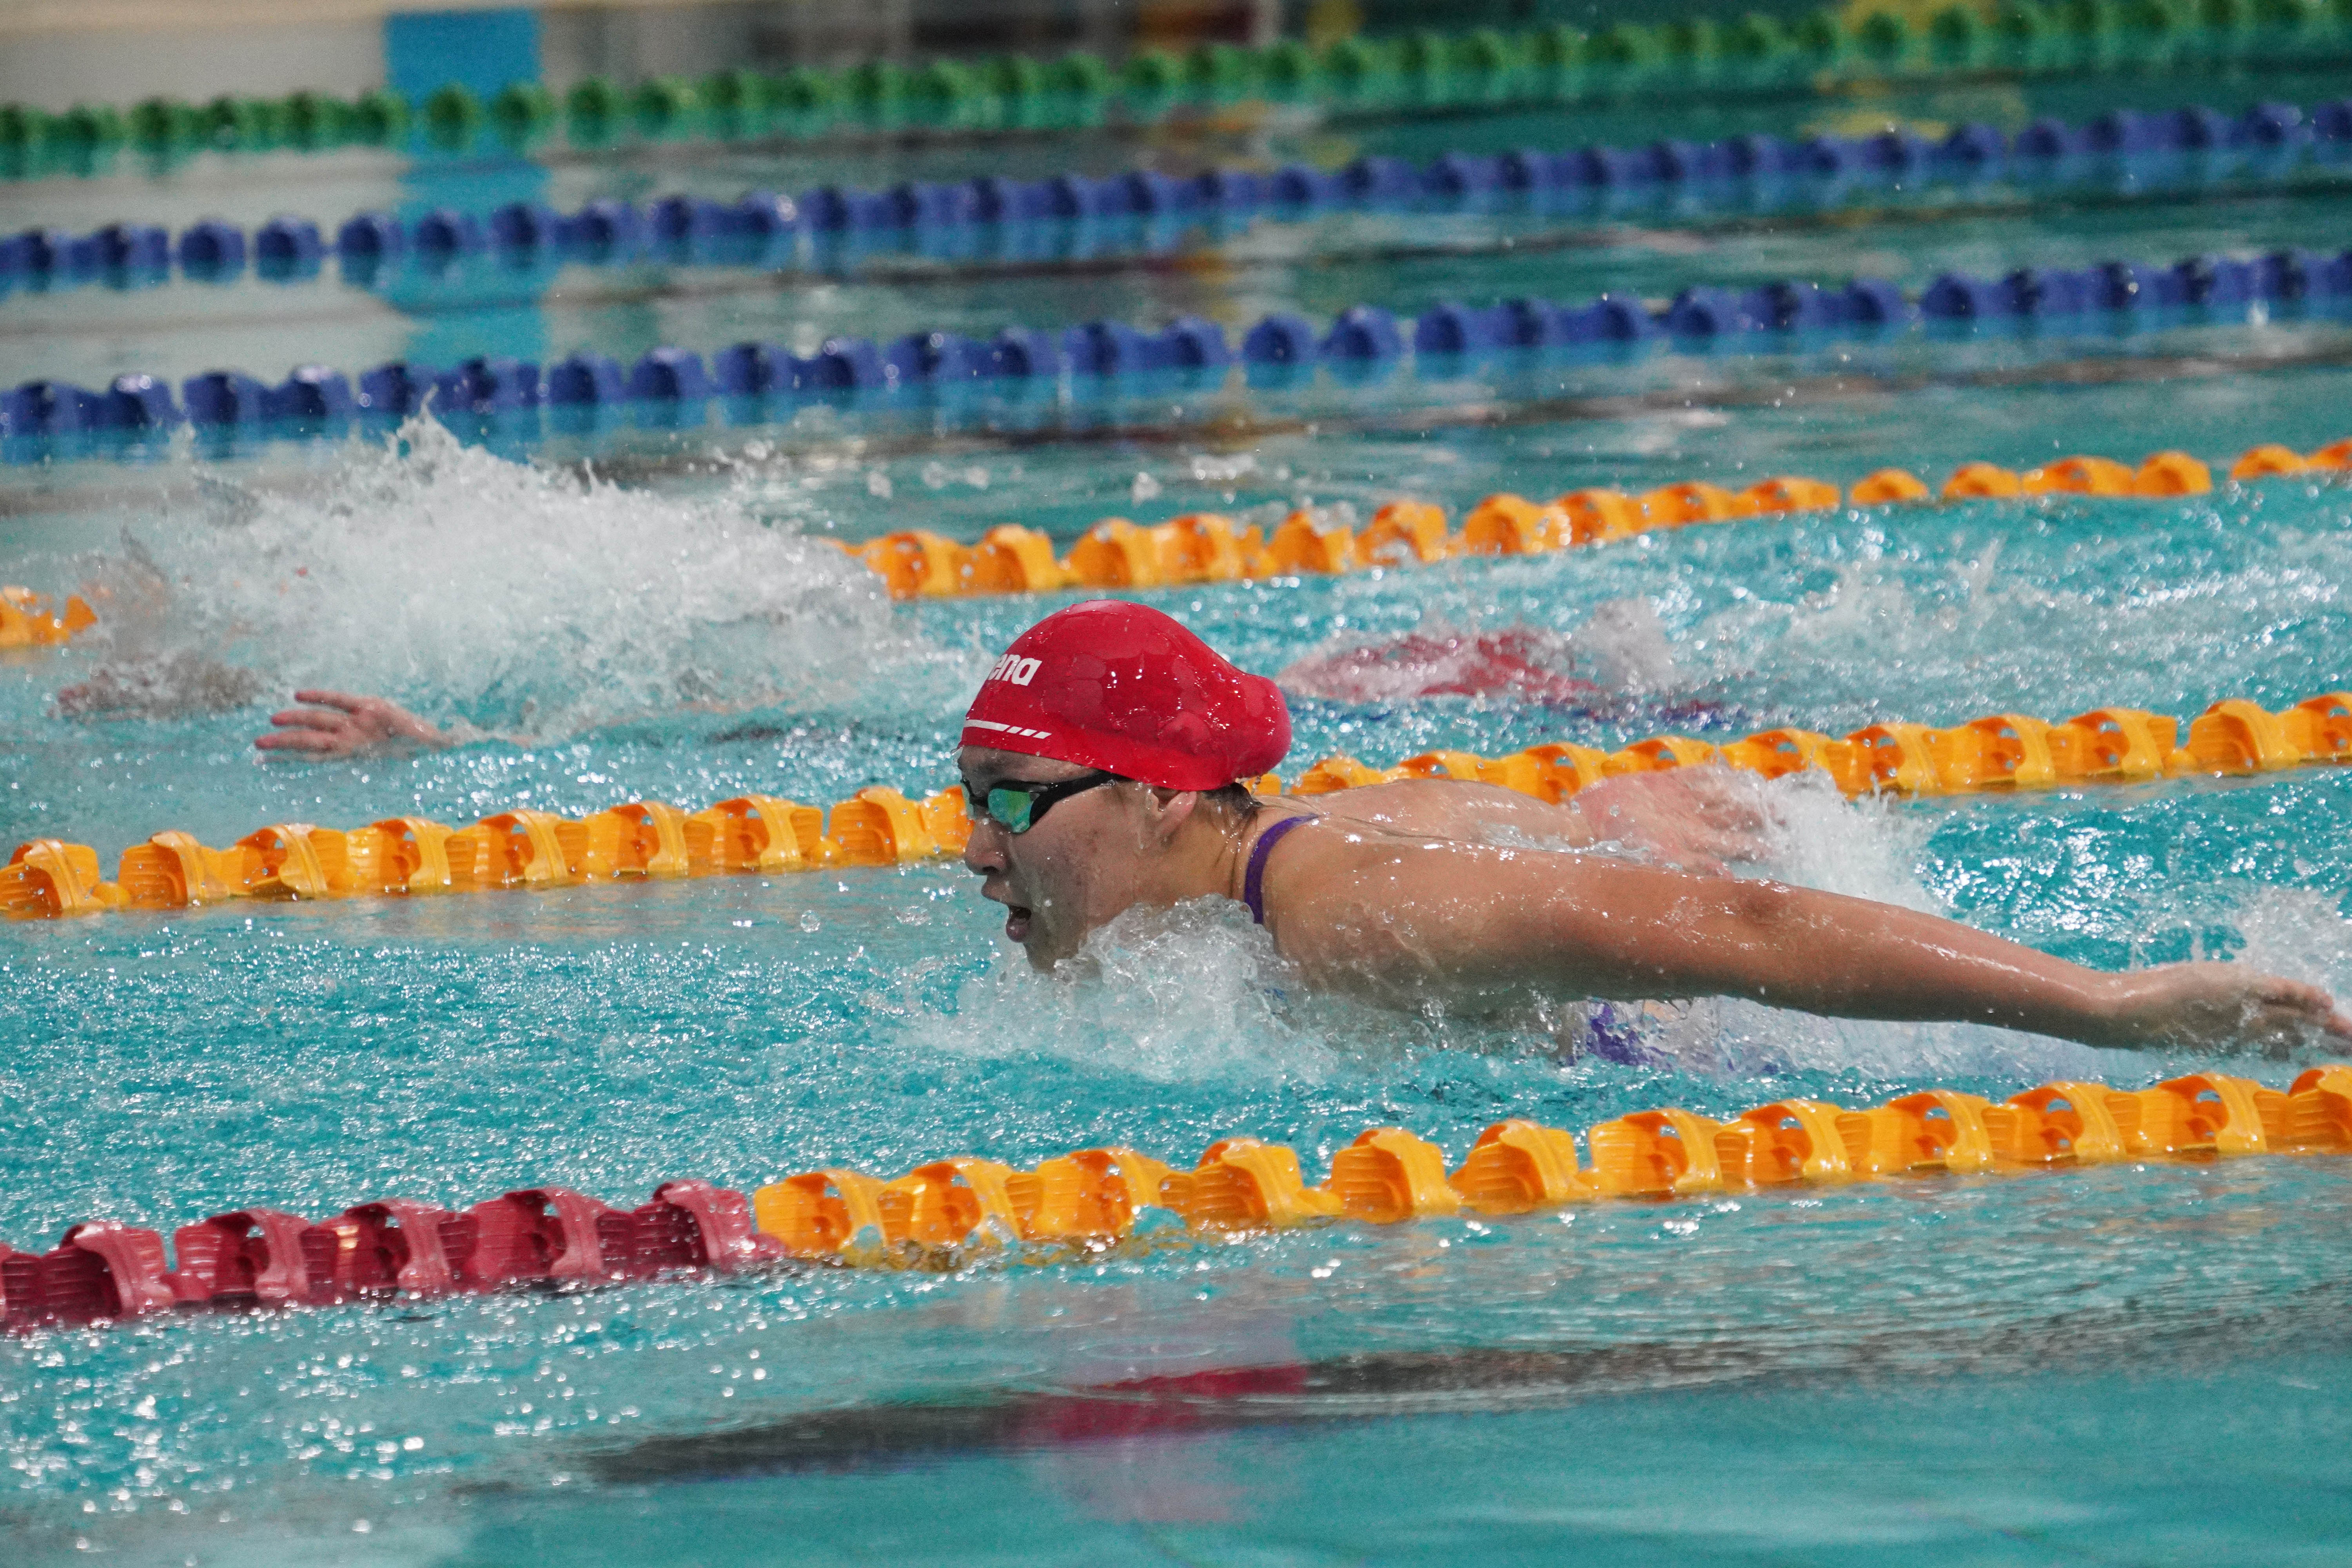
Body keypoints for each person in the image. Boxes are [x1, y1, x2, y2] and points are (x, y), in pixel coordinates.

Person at [959, 600, 2351, 1054]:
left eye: (1010, 802)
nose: (974, 853)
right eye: (967, 802)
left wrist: (2108, 1005)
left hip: (1726, 978)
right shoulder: (1241, 887)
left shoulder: (1347, 915)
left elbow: (1747, 931)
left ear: (1157, 794)